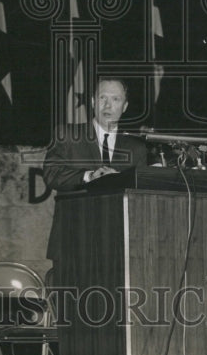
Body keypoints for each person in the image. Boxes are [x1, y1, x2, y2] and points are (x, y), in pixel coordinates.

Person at [42, 77, 148, 268]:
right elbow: (51, 174)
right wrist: (89, 176)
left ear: (124, 106)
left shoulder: (137, 148)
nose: (108, 105)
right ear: (92, 102)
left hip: (119, 248)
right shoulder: (67, 135)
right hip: (72, 243)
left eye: (116, 99)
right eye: (102, 98)